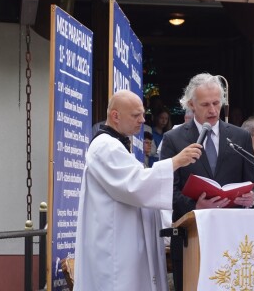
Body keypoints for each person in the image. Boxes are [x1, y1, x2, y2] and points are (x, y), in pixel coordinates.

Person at [73, 90, 202, 291]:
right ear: (115, 116)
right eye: (136, 115)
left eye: (143, 114)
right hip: (115, 247)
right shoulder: (105, 146)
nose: (142, 120)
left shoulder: (116, 145)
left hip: (124, 242)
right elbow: (134, 185)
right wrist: (175, 162)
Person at [160, 73, 254, 291]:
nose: (213, 110)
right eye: (205, 104)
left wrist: (252, 197)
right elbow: (167, 190)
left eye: (217, 103)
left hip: (232, 236)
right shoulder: (173, 139)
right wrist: (194, 206)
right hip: (191, 235)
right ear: (191, 105)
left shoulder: (240, 137)